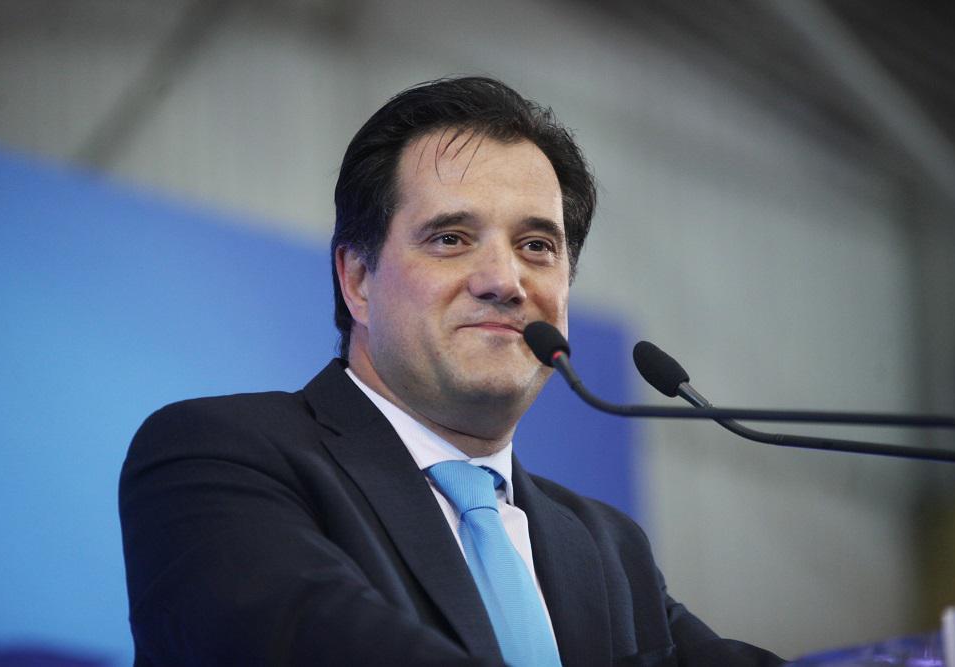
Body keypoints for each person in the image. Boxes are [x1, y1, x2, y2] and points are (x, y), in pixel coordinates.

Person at [119, 76, 784, 666]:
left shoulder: (608, 547)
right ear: (358, 279)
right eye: (451, 238)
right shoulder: (217, 455)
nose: (505, 281)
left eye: (536, 246)